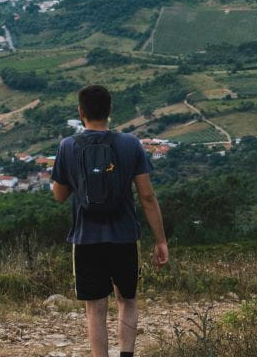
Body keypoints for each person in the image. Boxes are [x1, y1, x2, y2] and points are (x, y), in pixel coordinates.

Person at [51, 85, 169, 357]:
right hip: (125, 235)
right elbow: (147, 197)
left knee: (95, 306)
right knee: (127, 299)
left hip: (86, 238)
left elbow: (59, 195)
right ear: (110, 110)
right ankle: (126, 354)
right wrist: (160, 239)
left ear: (81, 112)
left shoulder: (68, 146)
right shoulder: (130, 144)